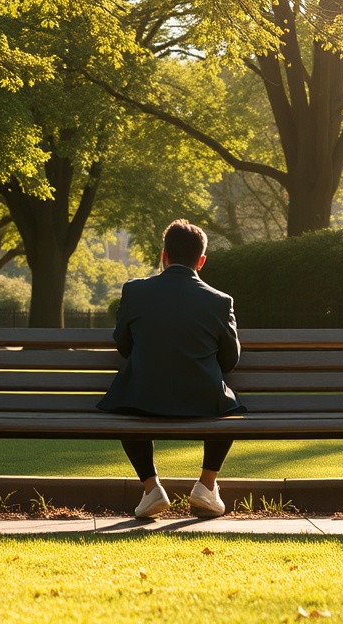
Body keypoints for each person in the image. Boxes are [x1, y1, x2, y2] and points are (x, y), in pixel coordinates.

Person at [97, 219, 242, 519]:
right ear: (201, 261)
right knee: (228, 409)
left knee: (126, 405)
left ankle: (151, 488)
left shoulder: (135, 291)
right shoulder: (219, 301)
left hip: (142, 399)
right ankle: (206, 485)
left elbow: (123, 346)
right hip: (203, 400)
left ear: (164, 255)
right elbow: (230, 361)